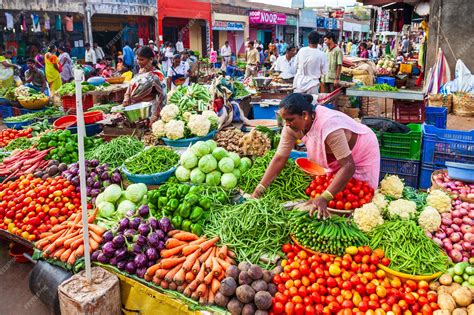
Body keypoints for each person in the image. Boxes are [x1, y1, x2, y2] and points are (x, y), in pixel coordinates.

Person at [251, 93, 380, 218]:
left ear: (305, 115)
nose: (287, 124)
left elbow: (348, 166)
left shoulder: (328, 125)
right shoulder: (291, 128)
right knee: (339, 193)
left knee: (361, 196)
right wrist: (259, 189)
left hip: (361, 149)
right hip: (337, 157)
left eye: (290, 119)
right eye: (285, 120)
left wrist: (325, 197)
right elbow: (280, 158)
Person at [122, 46, 164, 123]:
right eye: (137, 59)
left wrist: (156, 115)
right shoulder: (139, 72)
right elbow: (131, 85)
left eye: (141, 59)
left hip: (149, 111)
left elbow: (163, 96)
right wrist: (126, 97)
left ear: (151, 59)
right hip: (135, 110)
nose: (138, 62)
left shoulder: (157, 75)